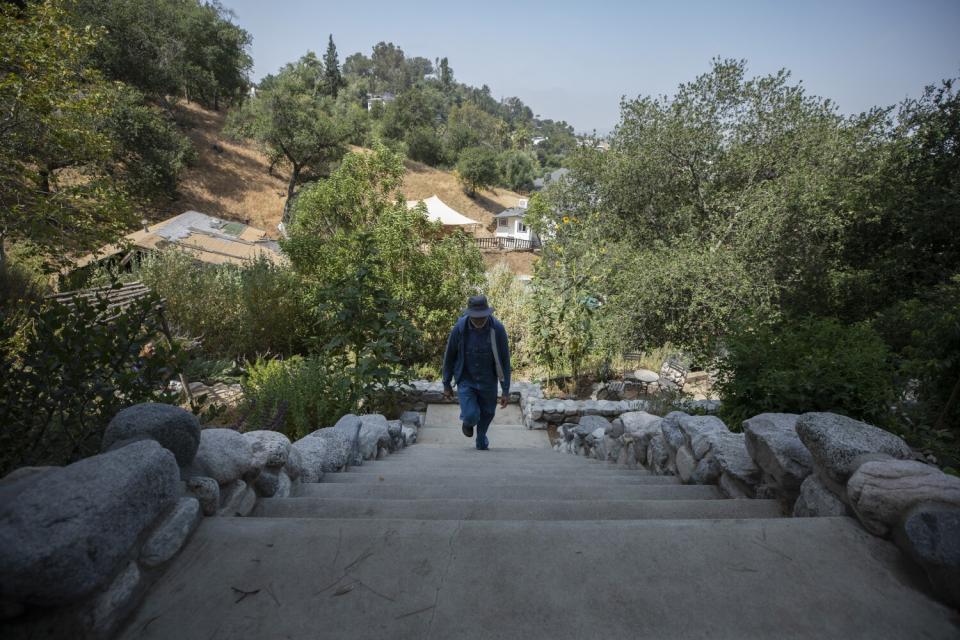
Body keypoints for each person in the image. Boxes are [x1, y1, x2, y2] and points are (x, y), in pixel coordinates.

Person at [441, 295, 511, 450]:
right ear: (469, 314)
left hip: (488, 380)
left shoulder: (497, 329)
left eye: (482, 317)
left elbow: (505, 360)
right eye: (475, 317)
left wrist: (505, 390)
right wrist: (446, 383)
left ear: (487, 313)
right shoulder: (459, 328)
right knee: (471, 415)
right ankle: (468, 421)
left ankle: (481, 438)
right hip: (466, 379)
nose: (479, 320)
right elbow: (449, 356)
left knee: (488, 413)